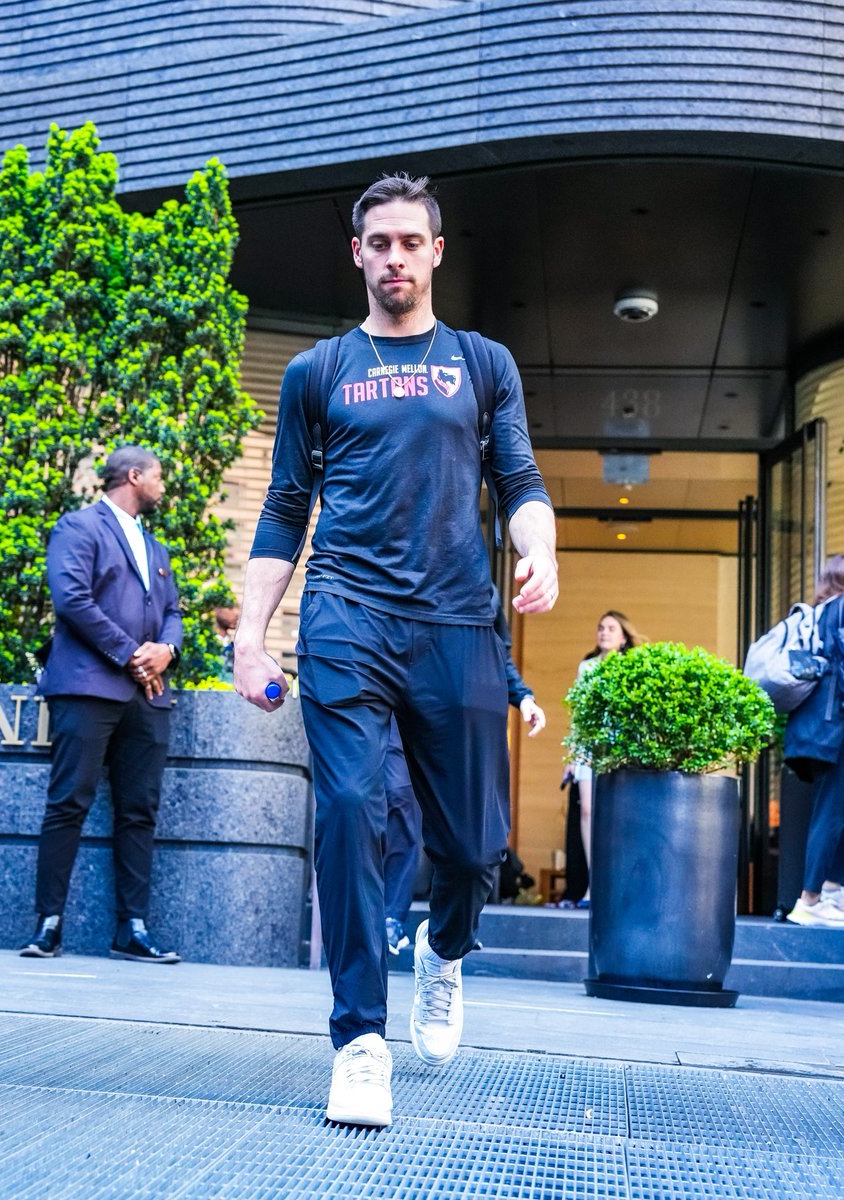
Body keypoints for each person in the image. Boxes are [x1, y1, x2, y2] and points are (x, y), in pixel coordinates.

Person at [234, 172, 558, 1128]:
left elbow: (522, 478)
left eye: (411, 243)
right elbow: (286, 508)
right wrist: (252, 637)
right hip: (346, 617)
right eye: (379, 243)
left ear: (437, 252)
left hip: (458, 622)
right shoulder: (319, 372)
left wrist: (538, 549)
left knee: (471, 851)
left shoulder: (483, 363)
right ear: (358, 254)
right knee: (346, 810)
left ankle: (444, 953)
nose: (395, 259)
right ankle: (359, 1042)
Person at [20, 445, 183, 964]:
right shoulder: (79, 527)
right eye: (158, 477)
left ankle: (131, 929)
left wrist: (167, 649)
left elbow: (174, 613)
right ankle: (48, 925)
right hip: (89, 688)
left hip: (148, 697)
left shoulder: (156, 548)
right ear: (134, 476)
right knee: (68, 802)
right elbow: (71, 599)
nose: (163, 486)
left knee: (140, 812)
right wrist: (131, 652)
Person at [385, 600, 545, 953]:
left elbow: (497, 653)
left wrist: (523, 696)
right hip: (397, 710)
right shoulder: (397, 574)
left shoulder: (479, 590)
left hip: (456, 723)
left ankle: (448, 937)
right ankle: (391, 917)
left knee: (474, 841)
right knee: (399, 802)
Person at [562, 611, 644, 907]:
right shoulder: (587, 667)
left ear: (623, 637)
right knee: (588, 813)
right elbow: (579, 713)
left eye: (611, 628)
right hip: (589, 748)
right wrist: (573, 752)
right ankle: (593, 885)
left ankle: (618, 884)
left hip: (620, 750)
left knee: (618, 816)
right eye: (601, 627)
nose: (604, 632)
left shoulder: (631, 668)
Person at [783, 555, 844, 928]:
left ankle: (831, 893)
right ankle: (809, 900)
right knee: (831, 815)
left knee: (835, 813)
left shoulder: (821, 613)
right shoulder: (841, 611)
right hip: (836, 728)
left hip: (818, 730)